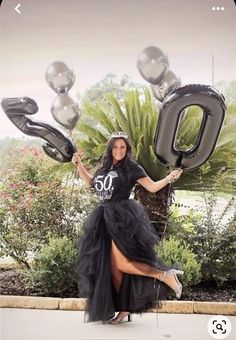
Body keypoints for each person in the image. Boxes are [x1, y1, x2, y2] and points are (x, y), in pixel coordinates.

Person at [72, 131, 183, 324]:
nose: (119, 150)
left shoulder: (131, 168)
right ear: (110, 149)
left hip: (121, 218)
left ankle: (164, 275)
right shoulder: (104, 167)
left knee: (123, 263)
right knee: (114, 268)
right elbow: (92, 183)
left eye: (123, 147)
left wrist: (170, 177)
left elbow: (152, 187)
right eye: (115, 147)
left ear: (127, 149)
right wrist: (78, 165)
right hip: (102, 218)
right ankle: (123, 309)